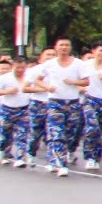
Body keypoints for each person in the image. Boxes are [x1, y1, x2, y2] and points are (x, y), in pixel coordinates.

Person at [41, 35, 89, 176]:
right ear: (56, 47)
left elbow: (86, 82)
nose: (63, 48)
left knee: (69, 134)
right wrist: (47, 86)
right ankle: (62, 164)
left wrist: (73, 82)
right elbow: (38, 79)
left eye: (66, 45)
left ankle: (52, 159)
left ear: (70, 47)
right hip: (55, 102)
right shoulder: (49, 64)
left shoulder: (78, 64)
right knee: (57, 133)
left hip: (73, 103)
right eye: (61, 45)